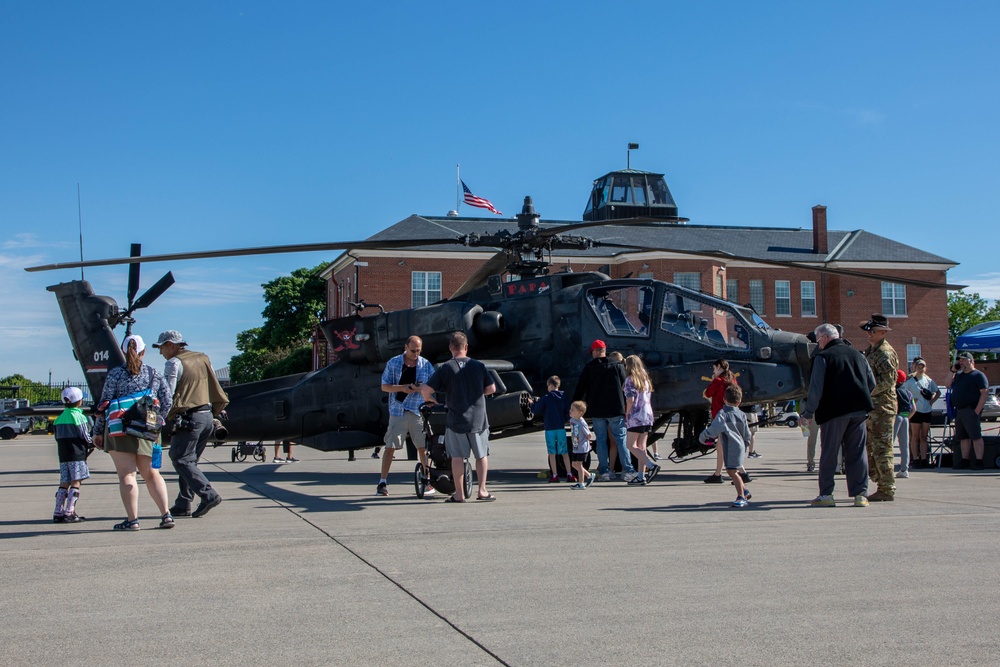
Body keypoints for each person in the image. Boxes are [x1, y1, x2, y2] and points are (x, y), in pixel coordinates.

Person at [94, 334, 175, 530]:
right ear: (144, 351)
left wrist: (97, 431)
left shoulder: (114, 374)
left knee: (127, 476)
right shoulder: (154, 373)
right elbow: (167, 401)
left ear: (123, 351)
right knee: (152, 474)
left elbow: (104, 405)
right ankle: (166, 515)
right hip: (148, 430)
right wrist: (157, 421)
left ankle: (132, 520)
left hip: (120, 430)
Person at [153, 330, 229, 518]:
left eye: (161, 347)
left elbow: (167, 394)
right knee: (190, 461)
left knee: (180, 458)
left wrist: (159, 417)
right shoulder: (202, 358)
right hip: (207, 417)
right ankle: (183, 503)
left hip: (189, 419)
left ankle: (208, 495)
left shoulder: (173, 363)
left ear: (171, 345)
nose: (161, 352)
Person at [800, 323, 876, 508]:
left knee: (829, 453)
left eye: (818, 340)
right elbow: (871, 382)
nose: (817, 344)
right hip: (859, 411)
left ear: (825, 338)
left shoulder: (823, 357)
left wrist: (808, 412)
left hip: (834, 412)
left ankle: (826, 494)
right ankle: (860, 495)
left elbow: (816, 389)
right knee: (857, 453)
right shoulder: (858, 355)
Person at [420, 332, 496, 502]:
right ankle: (482, 491)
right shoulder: (478, 366)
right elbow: (491, 389)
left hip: (456, 420)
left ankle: (459, 494)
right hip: (478, 420)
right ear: (466, 347)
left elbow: (425, 390)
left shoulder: (446, 367)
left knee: (457, 457)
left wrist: (429, 400)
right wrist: (477, 393)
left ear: (450, 348)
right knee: (481, 455)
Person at [571, 340, 637, 482]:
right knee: (621, 440)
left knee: (601, 441)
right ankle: (628, 470)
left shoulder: (589, 368)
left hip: (597, 410)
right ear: (604, 350)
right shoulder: (617, 366)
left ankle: (605, 471)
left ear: (595, 352)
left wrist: (574, 405)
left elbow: (580, 389)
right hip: (616, 409)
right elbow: (625, 386)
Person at [377, 336, 434, 496]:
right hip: (398, 411)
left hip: (417, 410)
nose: (416, 354)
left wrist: (420, 389)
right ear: (406, 347)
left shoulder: (425, 364)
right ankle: (382, 482)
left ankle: (427, 479)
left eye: (418, 351)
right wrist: (402, 388)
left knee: (423, 447)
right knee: (391, 446)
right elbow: (384, 386)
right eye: (413, 350)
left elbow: (433, 385)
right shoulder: (394, 363)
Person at [861, 314, 899, 501]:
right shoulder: (872, 350)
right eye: (869, 330)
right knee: (871, 448)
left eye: (873, 331)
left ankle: (887, 488)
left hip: (882, 407)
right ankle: (879, 481)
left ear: (883, 332)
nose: (869, 334)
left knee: (882, 448)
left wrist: (866, 393)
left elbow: (888, 381)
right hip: (873, 408)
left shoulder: (885, 352)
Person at [699, 384, 753, 508]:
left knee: (732, 471)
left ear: (724, 399)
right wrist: (746, 444)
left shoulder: (723, 414)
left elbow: (715, 428)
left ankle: (741, 497)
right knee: (733, 470)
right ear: (739, 401)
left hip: (731, 446)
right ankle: (745, 491)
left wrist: (703, 436)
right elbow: (747, 433)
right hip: (740, 446)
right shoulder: (742, 415)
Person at [52, 386, 92, 523]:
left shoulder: (59, 419)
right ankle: (70, 511)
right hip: (77, 454)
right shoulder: (79, 416)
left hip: (63, 455)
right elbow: (85, 436)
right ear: (79, 401)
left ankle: (58, 512)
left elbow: (56, 437)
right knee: (76, 481)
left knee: (64, 481)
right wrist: (93, 442)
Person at [945, 351, 989, 469]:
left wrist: (977, 410)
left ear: (970, 361)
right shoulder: (959, 375)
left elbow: (984, 393)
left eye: (963, 360)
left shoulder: (978, 375)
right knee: (963, 437)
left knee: (975, 436)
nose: (961, 362)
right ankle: (965, 460)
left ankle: (979, 460)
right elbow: (947, 384)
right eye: (960, 361)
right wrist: (952, 371)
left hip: (971, 409)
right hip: (959, 410)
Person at [703, 359, 744, 484]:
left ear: (719, 367)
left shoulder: (718, 381)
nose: (714, 371)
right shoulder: (732, 379)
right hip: (731, 416)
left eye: (715, 368)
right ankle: (719, 473)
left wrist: (713, 379)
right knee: (722, 447)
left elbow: (706, 394)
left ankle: (741, 473)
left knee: (723, 447)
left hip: (720, 417)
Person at [623, 355, 660, 485]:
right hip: (647, 414)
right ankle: (640, 475)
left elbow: (630, 399)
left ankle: (650, 465)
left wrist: (626, 413)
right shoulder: (645, 378)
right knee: (641, 447)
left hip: (636, 416)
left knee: (630, 445)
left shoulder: (629, 379)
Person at [530, 376, 573, 483]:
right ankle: (570, 474)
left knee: (552, 453)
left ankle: (555, 475)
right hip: (560, 428)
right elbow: (568, 412)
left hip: (549, 429)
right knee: (564, 452)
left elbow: (536, 410)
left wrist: (532, 404)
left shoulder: (546, 397)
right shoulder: (564, 397)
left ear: (551, 386)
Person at [901, 357, 940, 468]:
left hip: (926, 410)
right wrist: (911, 401)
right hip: (915, 411)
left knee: (924, 436)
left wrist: (931, 402)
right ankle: (915, 458)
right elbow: (902, 392)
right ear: (915, 367)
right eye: (919, 366)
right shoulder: (910, 381)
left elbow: (937, 392)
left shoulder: (928, 380)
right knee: (915, 436)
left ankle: (924, 459)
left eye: (923, 367)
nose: (921, 369)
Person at [568, 401, 597, 489]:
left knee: (579, 464)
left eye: (573, 410)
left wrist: (587, 441)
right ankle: (589, 475)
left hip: (582, 447)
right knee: (574, 464)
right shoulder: (572, 420)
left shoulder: (581, 422)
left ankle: (581, 483)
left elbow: (588, 435)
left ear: (579, 413)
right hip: (576, 446)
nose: (570, 411)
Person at [893, 369, 913, 478]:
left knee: (890, 443)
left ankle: (887, 468)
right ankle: (904, 469)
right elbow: (913, 408)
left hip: (895, 416)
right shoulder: (907, 392)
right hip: (905, 417)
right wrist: (907, 417)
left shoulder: (893, 391)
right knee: (904, 445)